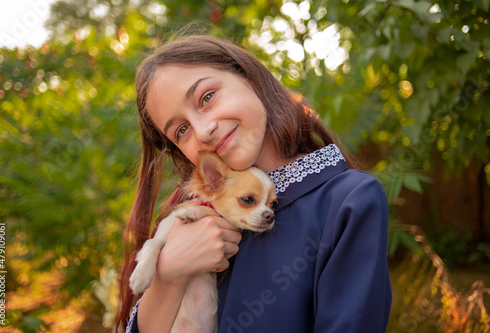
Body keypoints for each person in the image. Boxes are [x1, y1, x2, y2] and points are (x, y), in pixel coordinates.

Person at [117, 34, 392, 333]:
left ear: (250, 77)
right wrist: (169, 274)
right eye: (182, 130)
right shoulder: (190, 220)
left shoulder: (348, 200)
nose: (203, 130)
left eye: (206, 97)